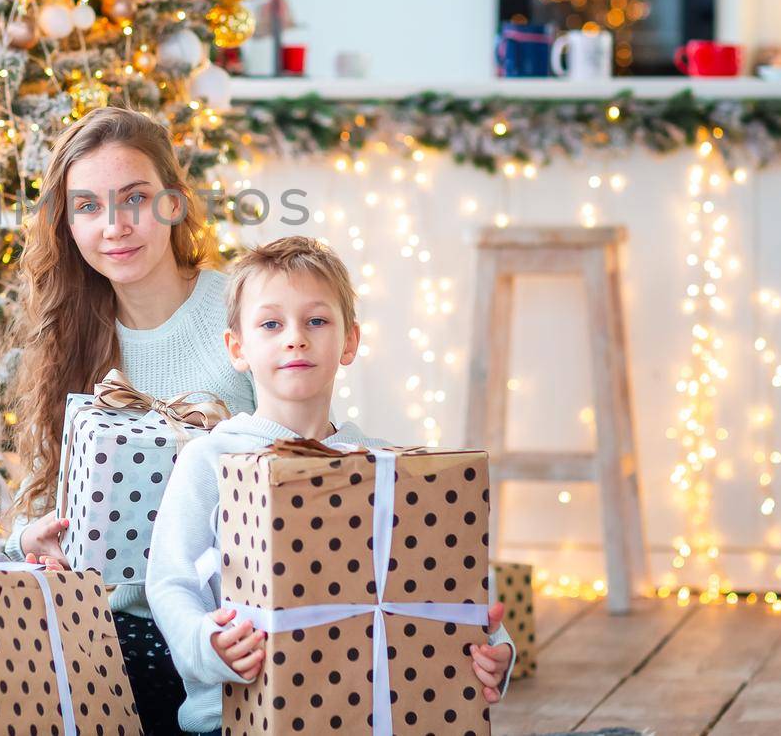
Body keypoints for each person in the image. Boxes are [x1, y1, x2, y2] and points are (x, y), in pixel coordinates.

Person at [146, 236, 515, 735]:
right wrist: (205, 646)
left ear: (349, 341)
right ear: (238, 347)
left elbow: (448, 579)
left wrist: (498, 650)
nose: (294, 338)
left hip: (379, 715)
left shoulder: (387, 468)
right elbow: (171, 581)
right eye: (271, 324)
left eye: (316, 321)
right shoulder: (211, 459)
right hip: (234, 718)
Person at [4, 105, 255, 733]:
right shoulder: (67, 335)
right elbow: (39, 494)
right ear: (68, 224)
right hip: (104, 630)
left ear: (174, 202)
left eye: (134, 199)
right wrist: (29, 538)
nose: (113, 226)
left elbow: (322, 458)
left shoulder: (247, 315)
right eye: (88, 206)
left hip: (229, 628)